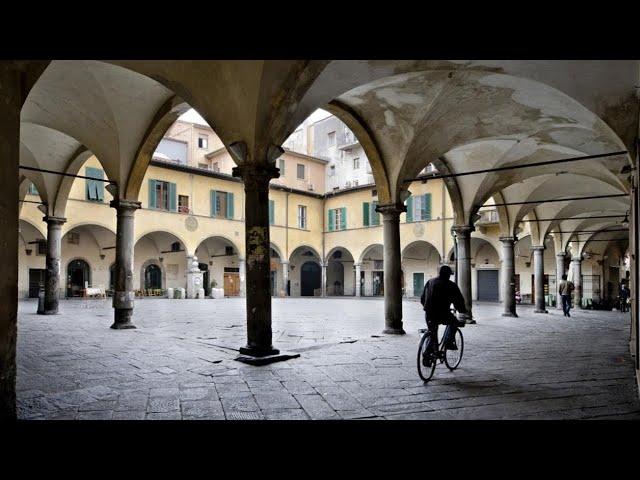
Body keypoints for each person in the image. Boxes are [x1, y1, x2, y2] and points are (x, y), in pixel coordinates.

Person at [420, 265, 468, 366]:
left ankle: (428, 355)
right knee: (454, 322)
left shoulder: (430, 282)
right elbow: (458, 301)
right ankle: (449, 342)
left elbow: (422, 298)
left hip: (429, 313)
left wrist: (427, 306)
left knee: (432, 332)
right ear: (448, 275)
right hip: (443, 313)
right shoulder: (451, 285)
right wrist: (462, 311)